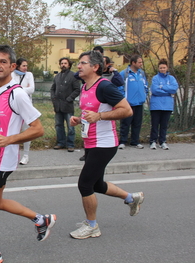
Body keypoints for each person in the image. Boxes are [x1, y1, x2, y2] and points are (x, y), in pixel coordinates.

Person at [0, 45, 56, 263]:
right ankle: (41, 219)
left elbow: (38, 128)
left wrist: (10, 139)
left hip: (3, 160)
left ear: (12, 66)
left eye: (3, 62)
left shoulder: (17, 94)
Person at [69, 51, 144, 239]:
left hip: (104, 143)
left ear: (95, 67)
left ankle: (92, 226)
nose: (78, 66)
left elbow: (126, 110)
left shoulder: (105, 87)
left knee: (85, 184)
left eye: (83, 63)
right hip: (91, 142)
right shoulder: (85, 86)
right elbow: (92, 112)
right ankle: (131, 198)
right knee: (98, 185)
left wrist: (100, 116)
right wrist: (80, 119)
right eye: (79, 63)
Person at [118, 55, 148, 149]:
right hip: (128, 103)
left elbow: (145, 85)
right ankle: (123, 141)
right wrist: (124, 98)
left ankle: (135, 141)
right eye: (139, 62)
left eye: (141, 62)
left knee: (137, 123)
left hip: (139, 103)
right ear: (133, 63)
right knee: (125, 123)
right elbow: (119, 87)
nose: (141, 64)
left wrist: (144, 95)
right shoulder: (124, 73)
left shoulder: (141, 73)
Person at [51, 57, 81, 152]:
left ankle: (70, 144)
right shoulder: (57, 76)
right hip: (58, 106)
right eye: (62, 63)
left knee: (70, 126)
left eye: (65, 63)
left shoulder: (73, 76)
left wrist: (69, 98)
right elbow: (52, 89)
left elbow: (77, 89)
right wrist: (53, 98)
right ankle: (60, 143)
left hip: (67, 105)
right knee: (59, 125)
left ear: (69, 65)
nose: (63, 65)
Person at [149, 59, 178, 150]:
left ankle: (162, 141)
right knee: (155, 124)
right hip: (156, 105)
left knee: (164, 125)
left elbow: (174, 89)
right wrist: (167, 91)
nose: (162, 69)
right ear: (158, 68)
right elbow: (154, 90)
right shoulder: (155, 78)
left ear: (167, 68)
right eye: (161, 68)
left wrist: (162, 87)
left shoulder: (171, 78)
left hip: (167, 105)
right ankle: (153, 141)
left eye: (164, 67)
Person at [11, 58, 35, 165]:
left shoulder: (29, 75)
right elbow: (10, 89)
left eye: (26, 66)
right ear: (18, 66)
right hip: (14, 107)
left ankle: (26, 155)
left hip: (26, 106)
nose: (26, 68)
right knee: (14, 131)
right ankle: (14, 155)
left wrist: (18, 88)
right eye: (23, 65)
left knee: (26, 132)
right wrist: (24, 88)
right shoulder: (12, 75)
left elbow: (32, 89)